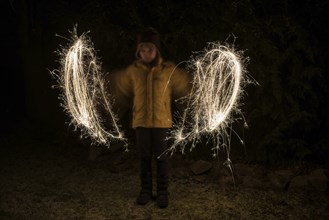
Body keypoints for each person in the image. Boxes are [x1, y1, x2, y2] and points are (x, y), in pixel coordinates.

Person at [110, 27, 191, 208]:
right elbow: (118, 87)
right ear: (139, 51)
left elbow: (186, 86)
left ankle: (162, 193)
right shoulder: (133, 71)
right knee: (144, 158)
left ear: (157, 50)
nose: (146, 53)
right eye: (143, 50)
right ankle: (145, 191)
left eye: (150, 49)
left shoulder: (168, 71)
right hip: (141, 123)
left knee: (162, 159)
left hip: (161, 123)